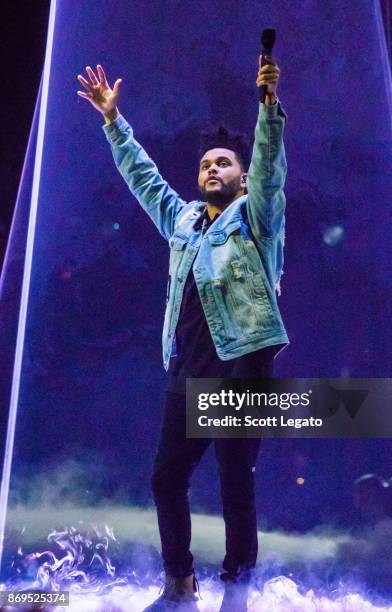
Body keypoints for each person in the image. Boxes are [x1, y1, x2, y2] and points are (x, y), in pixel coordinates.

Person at [77, 56, 289, 611]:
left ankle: (237, 588)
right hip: (187, 369)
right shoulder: (186, 221)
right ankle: (179, 583)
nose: (211, 171)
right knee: (166, 480)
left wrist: (268, 108)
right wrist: (113, 121)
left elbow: (270, 170)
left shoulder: (257, 220)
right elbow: (144, 179)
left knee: (233, 485)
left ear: (241, 177)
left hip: (242, 366)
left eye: (222, 164)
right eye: (204, 166)